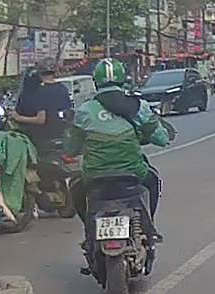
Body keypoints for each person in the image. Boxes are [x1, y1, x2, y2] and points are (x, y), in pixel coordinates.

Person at [64, 58, 171, 244]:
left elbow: (71, 148)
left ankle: (89, 232)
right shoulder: (138, 106)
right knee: (153, 180)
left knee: (75, 186)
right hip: (133, 172)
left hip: (94, 176)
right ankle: (149, 228)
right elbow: (162, 139)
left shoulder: (84, 111)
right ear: (123, 80)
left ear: (96, 82)